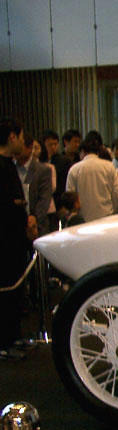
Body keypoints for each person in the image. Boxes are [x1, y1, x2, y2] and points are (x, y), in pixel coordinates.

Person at [0, 117, 33, 359]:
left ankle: (13, 336)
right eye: (21, 137)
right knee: (5, 288)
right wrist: (17, 206)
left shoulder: (9, 164)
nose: (23, 142)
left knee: (14, 288)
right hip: (4, 239)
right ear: (12, 137)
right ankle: (4, 343)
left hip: (15, 237)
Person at [66, 131, 118, 222]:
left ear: (82, 152)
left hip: (83, 220)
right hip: (106, 217)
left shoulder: (74, 169)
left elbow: (70, 198)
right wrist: (114, 211)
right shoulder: (109, 166)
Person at [14, 133, 53, 238]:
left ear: (29, 148)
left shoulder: (42, 170)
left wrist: (34, 218)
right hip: (15, 225)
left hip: (38, 225)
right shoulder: (10, 168)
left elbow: (44, 199)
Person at [50, 128, 81, 209]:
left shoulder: (80, 160)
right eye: (75, 141)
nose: (77, 144)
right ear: (66, 142)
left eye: (78, 142)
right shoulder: (58, 160)